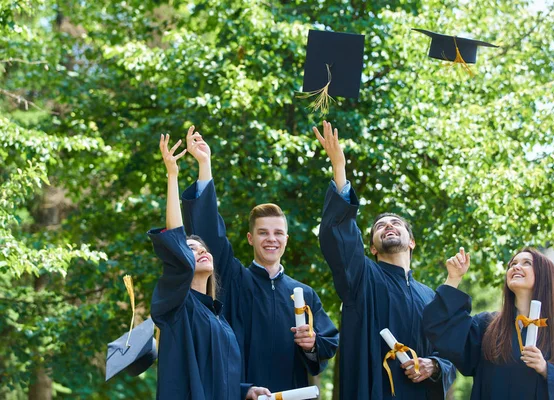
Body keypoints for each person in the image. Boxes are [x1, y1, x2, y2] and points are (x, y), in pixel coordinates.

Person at [179, 126, 339, 392]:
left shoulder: (305, 294)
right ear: (250, 238)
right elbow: (212, 236)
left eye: (278, 233)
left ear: (287, 239)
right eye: (263, 233)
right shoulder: (234, 279)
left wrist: (312, 343)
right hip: (244, 394)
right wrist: (204, 165)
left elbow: (328, 342)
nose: (271, 239)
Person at [314, 121, 455, 399]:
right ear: (373, 249)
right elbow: (340, 235)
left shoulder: (429, 297)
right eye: (380, 227)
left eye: (395, 223)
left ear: (411, 241)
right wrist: (339, 168)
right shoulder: (362, 277)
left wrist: (434, 365)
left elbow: (448, 351)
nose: (388, 226)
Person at [149, 134, 270, 400]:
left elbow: (216, 378)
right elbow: (175, 238)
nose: (202, 250)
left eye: (203, 247)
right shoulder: (178, 306)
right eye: (191, 249)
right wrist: (172, 176)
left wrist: (245, 391)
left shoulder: (218, 316)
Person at [423, 246, 554, 399]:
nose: (516, 267)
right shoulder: (486, 326)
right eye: (513, 264)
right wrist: (453, 278)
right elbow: (441, 327)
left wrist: (547, 370)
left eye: (526, 263)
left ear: (543, 275)